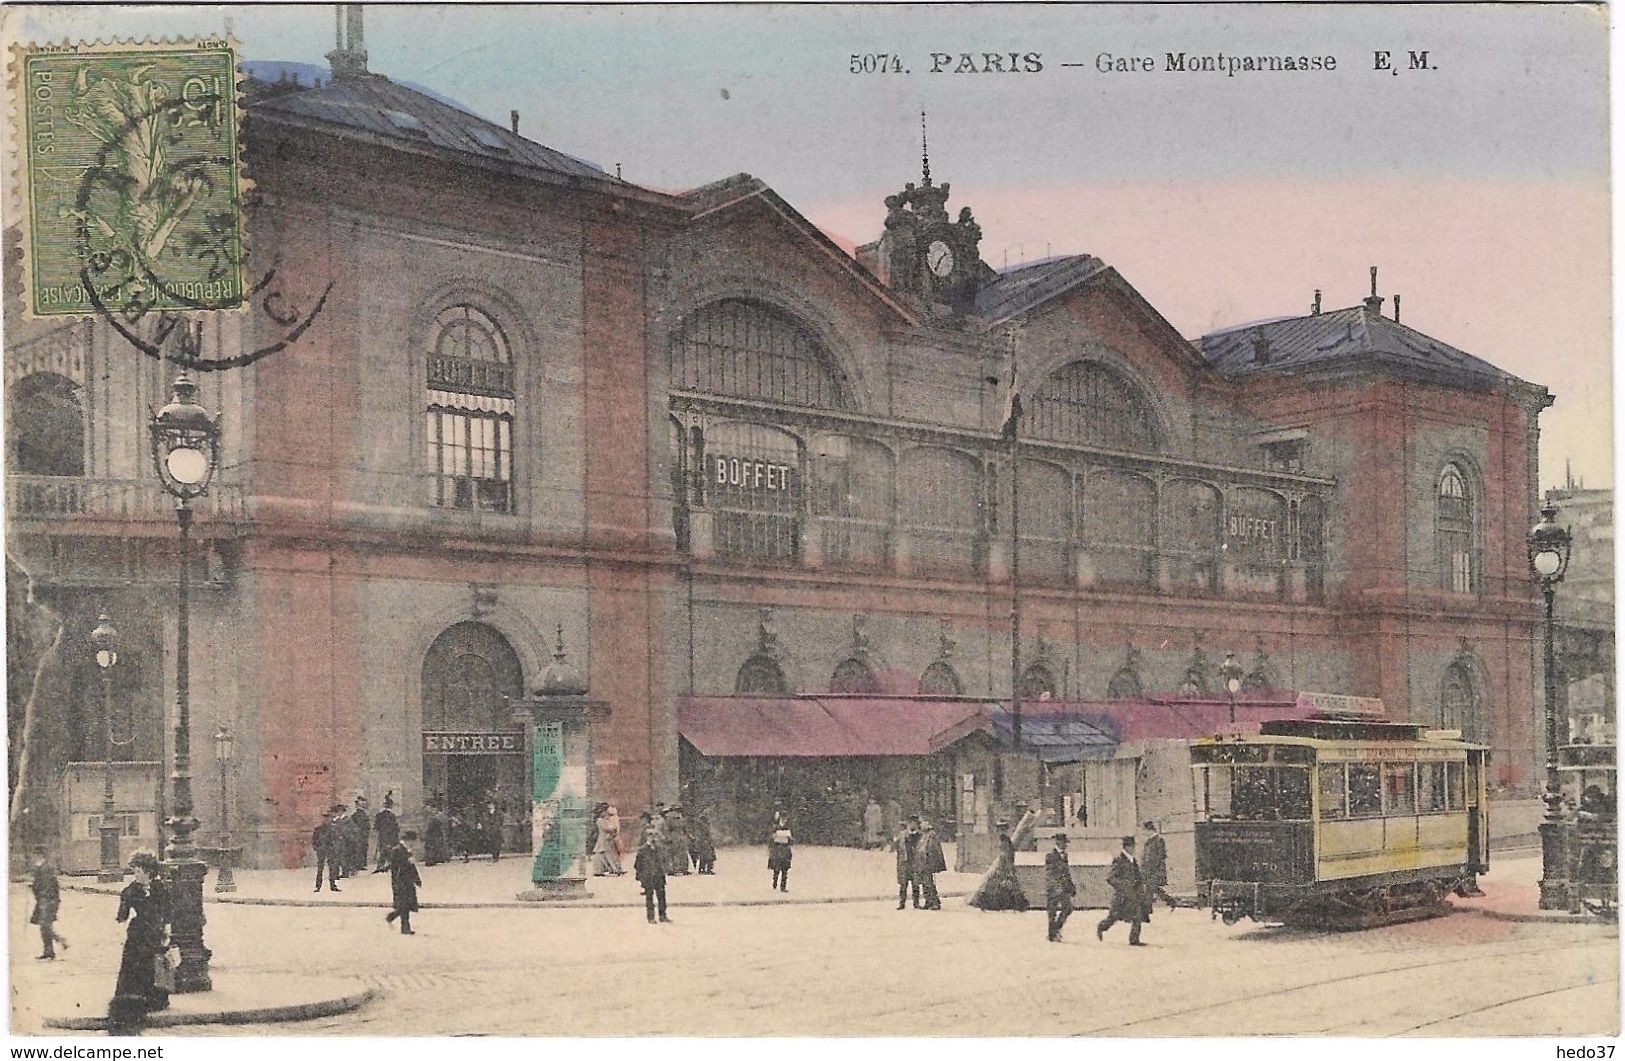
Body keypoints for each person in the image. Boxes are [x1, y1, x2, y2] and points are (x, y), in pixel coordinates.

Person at [108, 851, 171, 1033]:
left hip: (155, 933)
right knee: (134, 965)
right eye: (134, 871)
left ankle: (155, 1000)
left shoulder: (160, 888)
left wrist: (166, 929)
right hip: (138, 933)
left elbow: (167, 911)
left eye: (138, 870)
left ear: (148, 871)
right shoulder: (131, 890)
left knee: (153, 966)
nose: (136, 874)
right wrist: (123, 905)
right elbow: (122, 916)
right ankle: (131, 1002)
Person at [1097, 835, 1149, 946]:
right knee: (1114, 917)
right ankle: (1101, 927)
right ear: (1126, 847)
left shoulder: (1133, 860)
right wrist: (1124, 886)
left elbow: (1137, 877)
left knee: (1138, 915)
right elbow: (1111, 878)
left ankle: (1134, 939)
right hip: (1122, 897)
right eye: (1132, 846)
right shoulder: (1119, 860)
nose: (1134, 849)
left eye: (1133, 846)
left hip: (1133, 895)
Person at [973, 830, 1030, 912]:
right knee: (1008, 889)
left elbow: (1007, 863)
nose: (999, 845)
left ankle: (989, 905)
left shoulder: (1004, 853)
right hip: (1003, 872)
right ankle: (1016, 905)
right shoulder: (1007, 850)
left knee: (996, 889)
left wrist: (1006, 872)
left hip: (1003, 872)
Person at [378, 830, 423, 935]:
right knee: (404, 905)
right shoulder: (397, 850)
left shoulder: (406, 850)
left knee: (405, 905)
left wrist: (417, 879)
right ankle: (404, 927)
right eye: (412, 842)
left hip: (407, 881)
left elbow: (412, 867)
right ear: (407, 840)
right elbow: (396, 866)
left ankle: (393, 918)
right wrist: (407, 863)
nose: (413, 844)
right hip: (401, 881)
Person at [29, 844, 67, 959]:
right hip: (44, 899)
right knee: (44, 925)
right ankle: (49, 951)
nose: (33, 857)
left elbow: (47, 886)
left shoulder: (45, 868)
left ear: (40, 855)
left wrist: (42, 897)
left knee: (45, 925)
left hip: (47, 900)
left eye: (35, 854)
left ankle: (59, 941)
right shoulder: (41, 867)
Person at [635, 830, 670, 924]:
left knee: (661, 897)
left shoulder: (660, 848)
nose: (653, 838)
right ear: (646, 837)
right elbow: (638, 865)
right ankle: (651, 917)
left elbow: (664, 860)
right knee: (649, 898)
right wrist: (640, 877)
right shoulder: (642, 850)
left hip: (659, 875)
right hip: (648, 877)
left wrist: (664, 870)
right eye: (650, 836)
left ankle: (663, 915)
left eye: (655, 835)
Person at [1045, 833, 1075, 941]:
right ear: (1058, 842)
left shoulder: (1065, 856)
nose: (1065, 845)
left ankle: (1055, 930)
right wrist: (1057, 886)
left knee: (1068, 908)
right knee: (1052, 912)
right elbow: (1051, 874)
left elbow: (1066, 872)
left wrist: (1071, 885)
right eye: (1064, 843)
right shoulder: (1050, 856)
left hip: (1063, 887)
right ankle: (1052, 934)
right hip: (1054, 888)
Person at [1142, 819, 1175, 909]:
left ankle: (1147, 909)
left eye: (1144, 831)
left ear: (1149, 830)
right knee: (1153, 888)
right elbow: (1145, 856)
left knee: (1150, 888)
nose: (1143, 833)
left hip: (1156, 869)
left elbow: (1161, 855)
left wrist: (1155, 868)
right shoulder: (1148, 841)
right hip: (1149, 869)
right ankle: (1170, 901)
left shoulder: (1159, 840)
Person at [313, 804, 346, 892]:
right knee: (320, 868)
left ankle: (333, 884)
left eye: (328, 818)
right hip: (321, 851)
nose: (326, 820)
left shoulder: (333, 829)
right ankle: (318, 885)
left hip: (330, 850)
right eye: (325, 818)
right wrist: (317, 848)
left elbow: (335, 839)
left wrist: (334, 848)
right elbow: (315, 840)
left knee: (332, 868)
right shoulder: (318, 829)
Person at [916, 819, 946, 910]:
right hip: (922, 862)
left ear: (927, 824)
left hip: (928, 862)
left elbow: (933, 849)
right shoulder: (923, 834)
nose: (921, 825)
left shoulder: (931, 835)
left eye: (922, 823)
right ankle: (928, 901)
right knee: (924, 883)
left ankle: (935, 902)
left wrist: (932, 861)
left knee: (929, 883)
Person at [895, 817, 922, 910]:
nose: (912, 825)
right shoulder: (902, 834)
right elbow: (898, 848)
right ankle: (902, 903)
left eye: (914, 823)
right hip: (905, 862)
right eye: (911, 823)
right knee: (903, 884)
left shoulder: (920, 835)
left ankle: (916, 903)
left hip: (915, 862)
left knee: (915, 884)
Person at [373, 793, 401, 872]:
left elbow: (376, 827)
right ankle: (388, 865)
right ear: (391, 806)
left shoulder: (379, 815)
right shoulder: (392, 816)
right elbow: (396, 829)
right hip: (391, 837)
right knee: (390, 852)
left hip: (382, 837)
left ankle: (381, 866)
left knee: (383, 851)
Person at [594, 804, 624, 876]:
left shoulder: (606, 820)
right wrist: (614, 829)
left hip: (608, 839)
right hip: (603, 840)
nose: (606, 813)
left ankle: (613, 869)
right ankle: (603, 870)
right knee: (606, 855)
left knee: (609, 854)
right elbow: (606, 829)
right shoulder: (600, 821)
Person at [664, 805, 691, 875]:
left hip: (681, 836)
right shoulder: (669, 819)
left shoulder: (681, 818)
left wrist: (688, 835)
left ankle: (683, 868)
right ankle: (674, 869)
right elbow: (667, 829)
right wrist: (668, 837)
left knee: (683, 853)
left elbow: (685, 828)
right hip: (674, 836)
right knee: (674, 853)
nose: (676, 812)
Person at [348, 796, 372, 876]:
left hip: (360, 836)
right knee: (359, 850)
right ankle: (358, 865)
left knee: (360, 849)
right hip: (360, 836)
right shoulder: (359, 815)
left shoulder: (356, 815)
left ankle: (359, 864)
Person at [768, 824, 794, 892]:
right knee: (777, 868)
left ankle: (782, 886)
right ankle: (775, 883)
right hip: (778, 849)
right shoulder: (775, 828)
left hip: (784, 849)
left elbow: (791, 840)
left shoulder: (788, 827)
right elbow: (772, 839)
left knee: (784, 869)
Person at [424, 800, 451, 866]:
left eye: (428, 807)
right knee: (434, 846)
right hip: (435, 834)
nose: (427, 809)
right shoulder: (434, 816)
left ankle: (432, 860)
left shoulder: (435, 817)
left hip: (434, 834)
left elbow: (433, 826)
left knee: (432, 846)